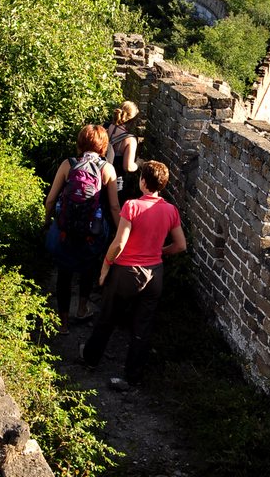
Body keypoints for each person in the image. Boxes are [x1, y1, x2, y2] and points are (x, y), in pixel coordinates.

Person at [79, 160, 186, 384]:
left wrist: (106, 265)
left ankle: (90, 358)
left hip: (126, 272)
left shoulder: (132, 206)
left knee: (108, 316)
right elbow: (180, 246)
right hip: (154, 274)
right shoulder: (170, 210)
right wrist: (159, 251)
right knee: (142, 327)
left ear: (143, 181)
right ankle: (133, 376)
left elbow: (119, 243)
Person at [44, 125, 120, 334]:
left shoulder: (68, 164)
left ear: (80, 142)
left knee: (64, 275)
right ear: (103, 145)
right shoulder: (107, 169)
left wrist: (47, 221)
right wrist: (119, 229)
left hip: (65, 230)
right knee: (88, 270)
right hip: (92, 233)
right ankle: (82, 308)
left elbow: (51, 199)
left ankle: (63, 322)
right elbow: (113, 206)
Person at [106, 101, 140, 206]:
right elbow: (128, 167)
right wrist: (139, 163)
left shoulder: (107, 128)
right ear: (133, 119)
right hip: (115, 180)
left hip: (101, 174)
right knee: (114, 208)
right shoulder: (130, 140)